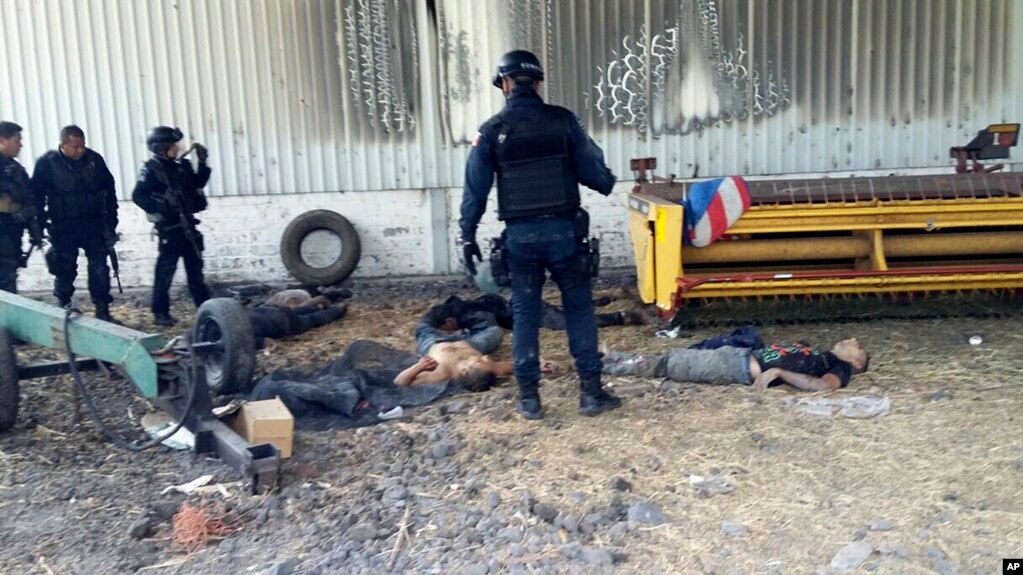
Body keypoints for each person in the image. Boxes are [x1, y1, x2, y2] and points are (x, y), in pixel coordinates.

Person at [459, 49, 621, 420]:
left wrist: (466, 235)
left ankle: (530, 400)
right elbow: (598, 176)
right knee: (579, 311)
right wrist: (606, 177)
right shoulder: (563, 122)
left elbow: (475, 191)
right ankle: (591, 395)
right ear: (538, 82)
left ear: (505, 84)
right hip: (565, 235)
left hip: (521, 241)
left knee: (526, 314)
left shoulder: (492, 131)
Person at [30, 125, 119, 321]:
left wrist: (112, 222)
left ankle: (103, 310)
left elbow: (109, 193)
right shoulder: (47, 163)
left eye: (82, 146)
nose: (80, 150)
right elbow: (36, 196)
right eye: (75, 146)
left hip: (93, 224)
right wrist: (40, 224)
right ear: (63, 144)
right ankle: (64, 306)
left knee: (99, 268)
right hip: (63, 226)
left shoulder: (95, 160)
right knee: (65, 269)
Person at [132, 126, 211, 326]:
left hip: (188, 227)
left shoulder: (181, 166)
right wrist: (161, 208)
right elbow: (138, 195)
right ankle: (160, 313)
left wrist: (202, 162)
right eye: (173, 145)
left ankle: (206, 310)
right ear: (162, 147)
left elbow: (198, 183)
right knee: (165, 273)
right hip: (170, 229)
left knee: (196, 272)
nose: (177, 148)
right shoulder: (151, 169)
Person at [602, 338, 870, 391]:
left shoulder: (841, 370)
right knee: (670, 359)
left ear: (856, 363)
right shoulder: (822, 355)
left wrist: (778, 372)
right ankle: (611, 360)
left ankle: (606, 364)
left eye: (857, 346)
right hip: (736, 356)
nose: (852, 339)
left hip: (735, 367)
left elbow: (823, 386)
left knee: (667, 363)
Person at [396, 305, 513, 391]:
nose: (486, 357)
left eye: (479, 361)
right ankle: (460, 322)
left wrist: (419, 367)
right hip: (469, 343)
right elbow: (518, 365)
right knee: (495, 331)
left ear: (464, 371)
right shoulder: (490, 369)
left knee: (423, 328)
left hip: (434, 344)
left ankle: (441, 322)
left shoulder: (442, 374)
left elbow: (400, 382)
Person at [0, 121, 43, 293]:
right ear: (2, 140)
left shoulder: (15, 168)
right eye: (17, 140)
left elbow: (26, 197)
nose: (21, 145)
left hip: (11, 232)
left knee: (8, 276)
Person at [250, 289, 349, 349]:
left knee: (312, 319)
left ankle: (339, 310)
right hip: (271, 309)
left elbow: (268, 342)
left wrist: (268, 347)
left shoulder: (246, 338)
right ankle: (319, 304)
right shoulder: (236, 319)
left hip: (283, 323)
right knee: (299, 311)